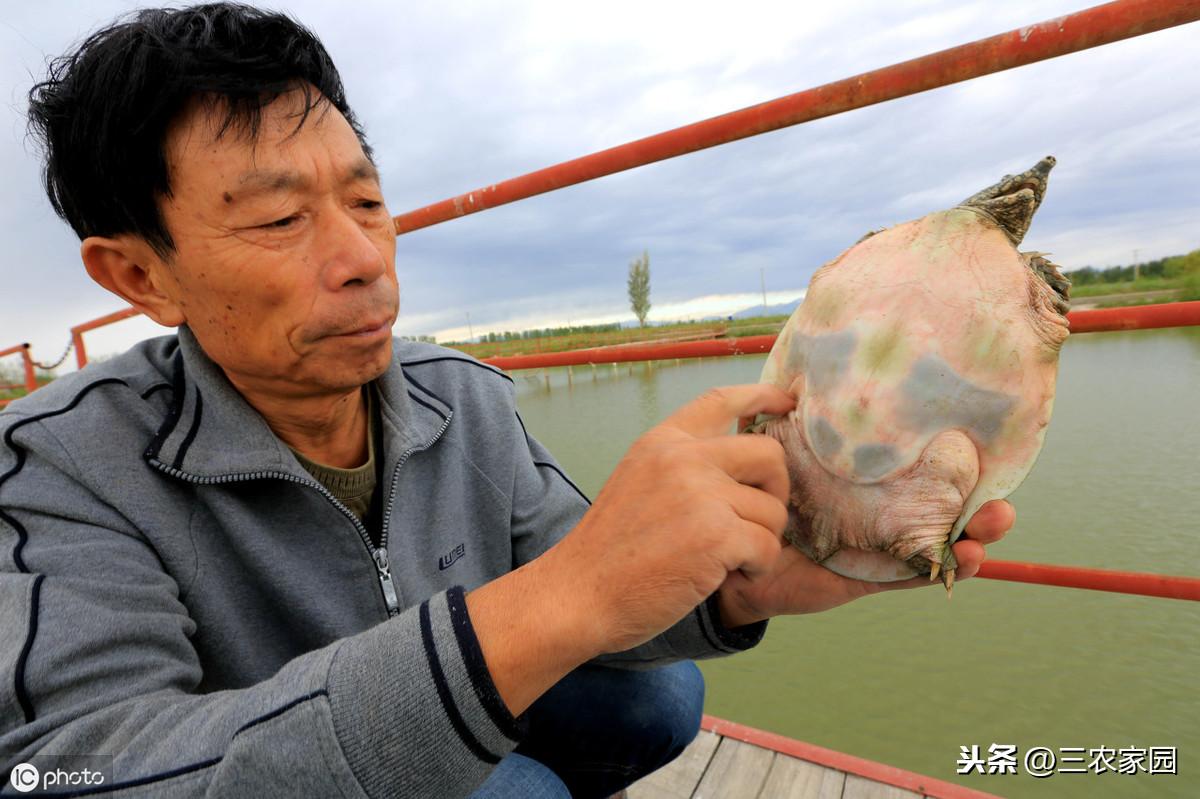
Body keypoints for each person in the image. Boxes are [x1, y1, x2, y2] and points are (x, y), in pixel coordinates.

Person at [1, 4, 1012, 797]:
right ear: (140, 275)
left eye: (365, 200)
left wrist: (736, 587)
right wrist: (556, 605)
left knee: (662, 691)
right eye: (278, 217)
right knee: (517, 787)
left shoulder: (460, 397)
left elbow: (596, 571)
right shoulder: (56, 467)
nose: (363, 260)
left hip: (440, 718)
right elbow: (68, 770)